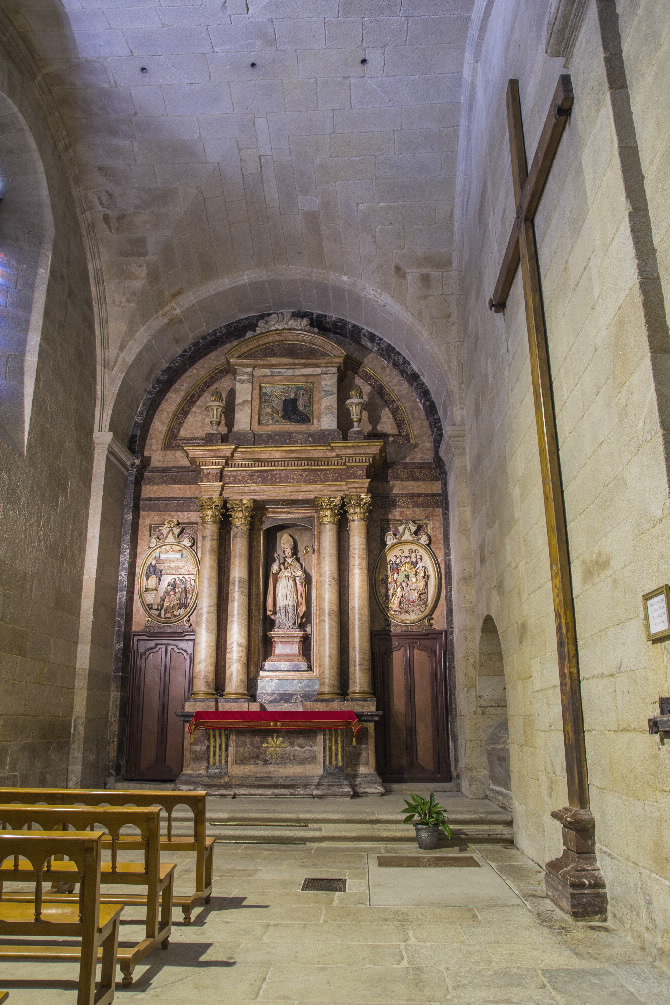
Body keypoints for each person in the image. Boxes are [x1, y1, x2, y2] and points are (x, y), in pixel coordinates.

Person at [267, 533, 307, 629]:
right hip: (281, 588)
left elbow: (300, 576)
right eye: (286, 550)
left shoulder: (296, 564)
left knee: (291, 602)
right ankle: (281, 623)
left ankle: (292, 623)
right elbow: (274, 570)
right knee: (282, 603)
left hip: (291, 588)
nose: (288, 552)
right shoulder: (280, 564)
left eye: (289, 550)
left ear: (292, 551)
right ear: (284, 552)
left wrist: (300, 578)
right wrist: (277, 561)